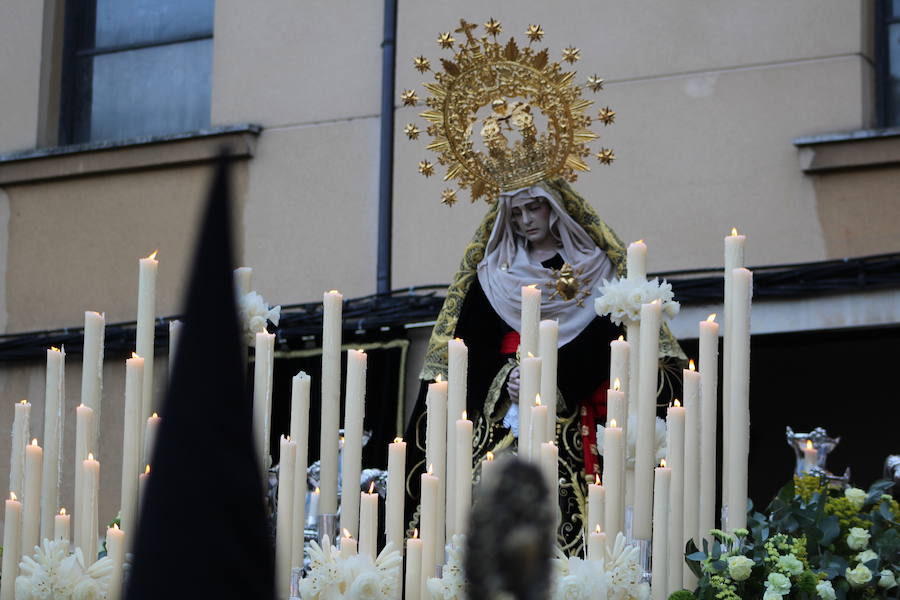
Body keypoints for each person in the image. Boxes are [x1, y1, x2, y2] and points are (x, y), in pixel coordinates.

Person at [404, 178, 685, 555]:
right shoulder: (494, 273)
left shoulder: (593, 271)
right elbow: (471, 347)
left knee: (571, 505)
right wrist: (507, 378)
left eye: (532, 208)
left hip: (569, 409)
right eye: (515, 213)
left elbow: (608, 343)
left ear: (554, 207)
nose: (525, 220)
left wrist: (552, 378)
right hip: (503, 413)